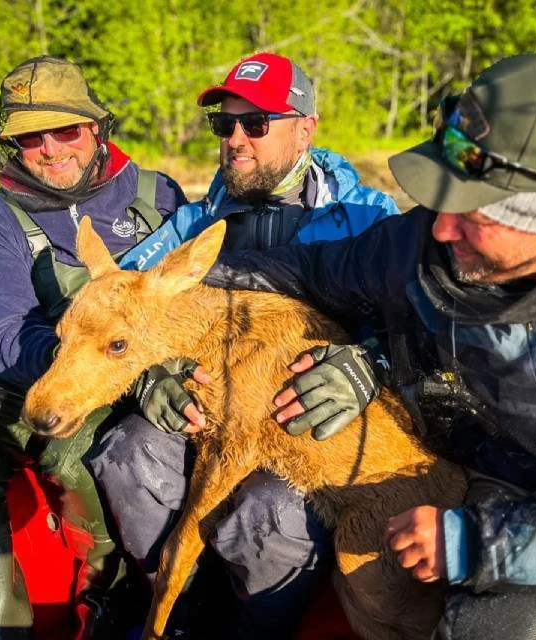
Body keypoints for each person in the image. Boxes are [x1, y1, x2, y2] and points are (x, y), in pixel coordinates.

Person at [204, 53, 536, 639]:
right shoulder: (435, 240)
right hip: (494, 473)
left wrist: (477, 542)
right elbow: (309, 270)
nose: (442, 230)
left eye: (472, 213)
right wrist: (159, 294)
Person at [87, 52, 400, 638]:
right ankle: (180, 614)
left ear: (304, 129)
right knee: (125, 451)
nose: (235, 139)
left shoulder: (369, 218)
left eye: (255, 124)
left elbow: (418, 323)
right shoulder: (191, 228)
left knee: (268, 511)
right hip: (207, 418)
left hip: (304, 434)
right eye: (223, 125)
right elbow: (115, 304)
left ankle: (259, 627)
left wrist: (371, 364)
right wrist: (149, 376)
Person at [0, 56, 187, 639]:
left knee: (88, 447)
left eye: (66, 131)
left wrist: (161, 372)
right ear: (10, 144)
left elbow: (192, 310)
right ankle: (4, 624)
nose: (51, 148)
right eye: (29, 136)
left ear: (96, 129)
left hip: (164, 377)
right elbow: (5, 339)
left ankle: (120, 583)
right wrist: (103, 371)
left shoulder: (160, 196)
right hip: (46, 376)